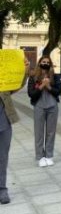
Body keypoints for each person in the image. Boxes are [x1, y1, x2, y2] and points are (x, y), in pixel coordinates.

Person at [0, 59, 29, 204]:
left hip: (4, 124)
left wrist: (24, 70)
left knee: (2, 158)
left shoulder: (3, 82)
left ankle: (2, 189)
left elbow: (18, 84)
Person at [27, 56, 61, 167]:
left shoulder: (55, 77)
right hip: (39, 107)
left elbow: (58, 91)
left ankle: (49, 155)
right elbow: (31, 94)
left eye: (48, 62)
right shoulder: (33, 77)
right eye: (43, 62)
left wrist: (49, 86)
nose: (45, 63)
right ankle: (40, 157)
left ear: (50, 64)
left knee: (51, 132)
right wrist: (42, 86)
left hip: (52, 107)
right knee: (39, 133)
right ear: (39, 63)